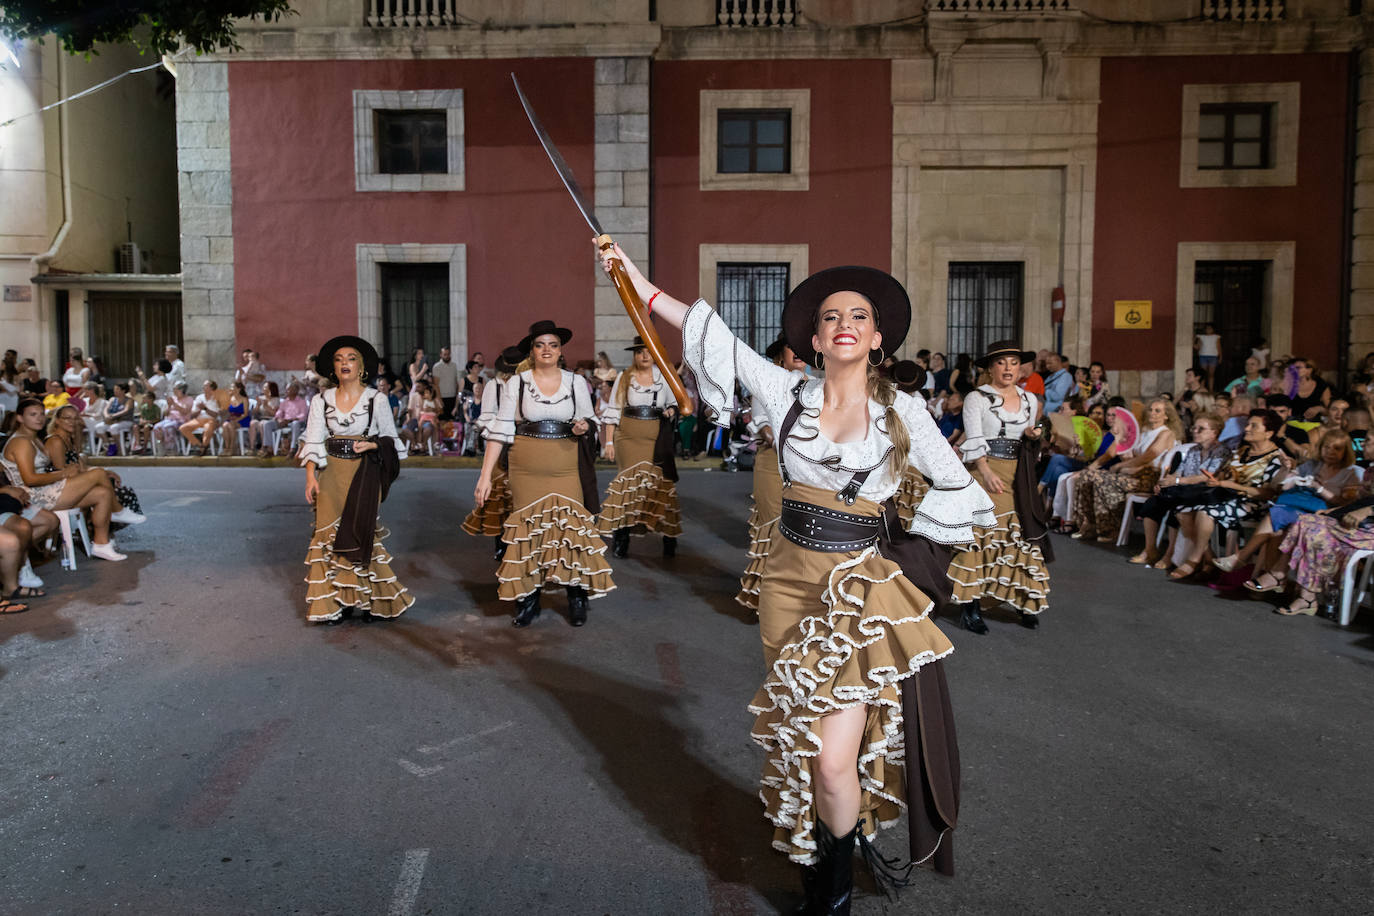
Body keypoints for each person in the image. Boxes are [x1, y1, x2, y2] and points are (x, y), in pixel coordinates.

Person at [602, 244, 994, 908]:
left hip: (858, 591)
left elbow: (962, 492)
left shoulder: (904, 412)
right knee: (808, 739)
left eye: (859, 316)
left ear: (875, 338)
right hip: (785, 583)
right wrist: (630, 276)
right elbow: (709, 334)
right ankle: (825, 854)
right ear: (814, 339)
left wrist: (899, 550)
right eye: (831, 316)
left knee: (836, 760)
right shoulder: (785, 391)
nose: (844, 322)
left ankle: (830, 898)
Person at [475, 321, 614, 628]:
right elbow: (500, 429)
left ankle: (576, 595)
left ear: (560, 350)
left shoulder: (576, 381)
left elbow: (590, 419)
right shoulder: (518, 383)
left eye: (552, 344)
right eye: (540, 345)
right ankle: (528, 599)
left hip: (566, 464)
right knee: (528, 533)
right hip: (525, 466)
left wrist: (583, 427)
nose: (547, 350)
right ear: (533, 351)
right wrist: (485, 476)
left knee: (571, 530)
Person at [298, 336, 411, 624]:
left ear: (361, 367)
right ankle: (336, 603)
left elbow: (391, 440)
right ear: (332, 368)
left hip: (364, 474)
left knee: (360, 533)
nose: (344, 363)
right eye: (338, 359)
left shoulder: (377, 399)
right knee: (327, 535)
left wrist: (374, 445)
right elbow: (313, 439)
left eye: (350, 358)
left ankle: (371, 601)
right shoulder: (320, 400)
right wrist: (311, 477)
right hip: (330, 473)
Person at [951, 341, 1051, 633]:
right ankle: (970, 607)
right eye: (1001, 363)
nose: (1008, 368)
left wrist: (1033, 435)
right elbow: (973, 438)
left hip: (1019, 473)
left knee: (1021, 532)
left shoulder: (1031, 400)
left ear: (1021, 368)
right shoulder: (977, 398)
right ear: (991, 368)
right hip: (985, 470)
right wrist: (984, 470)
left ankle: (1023, 600)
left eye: (1013, 362)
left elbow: (1033, 442)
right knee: (983, 533)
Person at [1214, 430, 1361, 589]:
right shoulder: (1312, 465)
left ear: (1345, 451)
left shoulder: (1351, 473)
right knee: (1277, 528)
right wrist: (1287, 469)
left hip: (1321, 514)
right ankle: (1269, 581)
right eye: (1327, 447)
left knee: (1277, 517)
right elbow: (1283, 486)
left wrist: (1319, 489)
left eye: (1337, 449)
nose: (1330, 452)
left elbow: (1344, 503)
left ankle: (1243, 558)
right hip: (1295, 507)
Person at [1, 399, 133, 560]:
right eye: (33, 415)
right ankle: (117, 511)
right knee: (98, 474)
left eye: (42, 414)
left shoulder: (33, 438)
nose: (39, 418)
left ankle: (101, 544)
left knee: (102, 493)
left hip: (45, 488)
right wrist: (63, 473)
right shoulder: (21, 442)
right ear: (20, 418)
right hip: (32, 495)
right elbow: (30, 479)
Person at [1168, 409, 1288, 581]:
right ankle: (1208, 559)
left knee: (1205, 511)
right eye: (1247, 425)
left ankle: (1194, 560)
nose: (1246, 429)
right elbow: (1225, 474)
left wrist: (1228, 484)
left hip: (1253, 503)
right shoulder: (1242, 451)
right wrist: (1217, 479)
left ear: (1269, 433)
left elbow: (1268, 493)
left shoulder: (1276, 458)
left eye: (1253, 426)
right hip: (1228, 497)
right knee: (1182, 510)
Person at [736, 335, 809, 610]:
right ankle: (766, 598)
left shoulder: (816, 386)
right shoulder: (766, 382)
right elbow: (764, 427)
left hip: (807, 470)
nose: (799, 353)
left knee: (800, 531)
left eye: (803, 348)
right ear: (781, 354)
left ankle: (794, 598)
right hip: (773, 464)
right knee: (773, 528)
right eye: (793, 347)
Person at [598, 336, 686, 559]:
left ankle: (669, 536)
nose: (644, 356)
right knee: (628, 487)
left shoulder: (665, 376)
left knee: (661, 485)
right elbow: (613, 410)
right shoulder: (624, 377)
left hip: (657, 438)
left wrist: (672, 411)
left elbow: (677, 402)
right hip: (628, 438)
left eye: (648, 351)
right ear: (634, 355)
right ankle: (622, 537)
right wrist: (608, 442)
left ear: (655, 353)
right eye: (639, 352)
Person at [1128, 411, 1231, 569]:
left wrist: (1176, 481)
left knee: (1176, 507)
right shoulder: (1193, 450)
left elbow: (1207, 477)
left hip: (1202, 493)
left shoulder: (1221, 451)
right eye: (1194, 428)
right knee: (1153, 502)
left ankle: (1170, 554)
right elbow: (1179, 471)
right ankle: (1150, 550)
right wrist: (1166, 482)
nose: (1195, 432)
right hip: (1183, 490)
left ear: (1214, 432)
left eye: (1200, 429)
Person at [1069, 398, 1181, 542]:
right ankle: (1089, 524)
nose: (1152, 413)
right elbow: (1124, 453)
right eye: (1151, 409)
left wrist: (1122, 466)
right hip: (1134, 473)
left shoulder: (1166, 434)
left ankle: (1110, 528)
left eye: (1157, 410)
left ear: (1166, 415)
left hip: (1149, 477)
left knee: (1100, 478)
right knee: (1086, 475)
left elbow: (1149, 456)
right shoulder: (1145, 432)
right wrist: (1118, 438)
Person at [463, 347, 521, 560]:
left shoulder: (527, 384)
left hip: (523, 442)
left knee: (518, 495)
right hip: (500, 443)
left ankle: (518, 541)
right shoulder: (493, 386)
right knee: (500, 495)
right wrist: (499, 435)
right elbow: (486, 418)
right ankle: (502, 542)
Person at [45, 405, 146, 519]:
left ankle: (99, 528)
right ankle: (116, 512)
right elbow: (63, 473)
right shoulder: (55, 441)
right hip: (58, 491)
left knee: (113, 487)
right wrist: (98, 475)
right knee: (110, 492)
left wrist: (106, 472)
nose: (72, 422)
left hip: (69, 485)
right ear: (57, 421)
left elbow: (81, 467)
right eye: (67, 418)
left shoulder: (67, 439)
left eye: (75, 418)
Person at [264, 381, 308, 458]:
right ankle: (269, 449)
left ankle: (292, 449)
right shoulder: (284, 402)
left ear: (296, 391)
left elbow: (303, 416)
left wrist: (290, 420)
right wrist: (279, 419)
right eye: (287, 389)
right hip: (284, 422)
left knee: (295, 424)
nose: (287, 391)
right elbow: (278, 413)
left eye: (289, 389)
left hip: (296, 422)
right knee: (268, 424)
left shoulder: (302, 401)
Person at [181, 380, 223, 455]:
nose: (203, 387)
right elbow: (192, 415)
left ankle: (202, 448)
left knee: (207, 429)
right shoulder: (199, 398)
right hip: (199, 419)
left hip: (211, 420)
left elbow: (216, 415)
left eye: (206, 386)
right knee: (183, 428)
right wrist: (198, 410)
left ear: (211, 388)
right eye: (204, 385)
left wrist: (205, 408)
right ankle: (200, 446)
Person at [154, 382, 195, 455]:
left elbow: (185, 411)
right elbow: (165, 413)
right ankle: (161, 448)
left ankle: (171, 448)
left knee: (168, 427)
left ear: (182, 390)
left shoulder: (189, 399)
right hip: (169, 420)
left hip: (181, 421)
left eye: (176, 389)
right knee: (157, 427)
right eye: (174, 390)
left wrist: (174, 404)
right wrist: (169, 406)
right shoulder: (173, 399)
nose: (174, 391)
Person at [95, 383, 135, 455]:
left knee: (114, 428)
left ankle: (120, 449)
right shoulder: (112, 399)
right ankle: (109, 445)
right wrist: (107, 416)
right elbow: (106, 409)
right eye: (114, 389)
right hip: (112, 421)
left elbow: (125, 410)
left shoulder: (129, 400)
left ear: (123, 391)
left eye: (117, 389)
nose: (115, 391)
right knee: (98, 427)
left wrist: (113, 416)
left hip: (125, 421)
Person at [1288, 357, 1332, 421]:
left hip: (1313, 424)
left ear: (1309, 370)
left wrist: (1319, 409)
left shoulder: (1321, 385)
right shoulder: (1287, 384)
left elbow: (1331, 411)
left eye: (1298, 368)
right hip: (1291, 422)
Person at [247, 382, 282, 457]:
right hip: (260, 418)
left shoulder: (275, 400)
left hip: (270, 420)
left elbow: (274, 414)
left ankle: (264, 447)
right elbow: (254, 413)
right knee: (253, 423)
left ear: (270, 389)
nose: (263, 389)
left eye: (265, 387)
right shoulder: (261, 398)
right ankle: (252, 447)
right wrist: (258, 405)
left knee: (262, 423)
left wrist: (266, 406)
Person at [217, 382, 252, 456]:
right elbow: (223, 409)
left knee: (230, 425)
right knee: (225, 425)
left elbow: (245, 413)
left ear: (238, 389)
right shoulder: (230, 398)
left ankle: (232, 448)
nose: (230, 388)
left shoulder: (244, 399)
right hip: (232, 418)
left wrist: (236, 420)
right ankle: (227, 448)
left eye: (232, 387)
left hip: (242, 418)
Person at [431, 346, 459, 419]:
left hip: (453, 397)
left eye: (448, 354)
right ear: (441, 355)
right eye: (445, 354)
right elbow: (436, 384)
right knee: (443, 421)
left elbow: (455, 381)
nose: (447, 356)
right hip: (442, 397)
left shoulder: (454, 365)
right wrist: (439, 399)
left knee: (452, 420)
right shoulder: (437, 367)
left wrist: (457, 396)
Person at [1195, 323, 1221, 390]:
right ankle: (1202, 388)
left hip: (1213, 357)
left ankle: (1211, 389)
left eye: (1210, 328)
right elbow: (1197, 346)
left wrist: (1220, 356)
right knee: (1203, 374)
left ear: (1213, 329)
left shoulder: (1216, 337)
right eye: (1207, 328)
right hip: (1203, 356)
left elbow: (1219, 347)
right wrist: (1192, 340)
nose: (1208, 330)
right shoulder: (1201, 337)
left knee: (1211, 374)